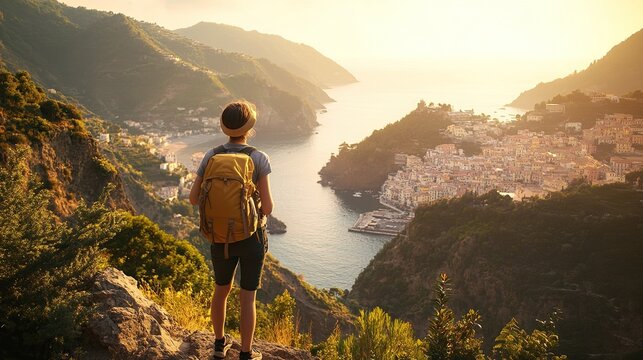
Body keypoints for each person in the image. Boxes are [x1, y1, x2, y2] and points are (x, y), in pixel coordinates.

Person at [190, 101, 273, 360]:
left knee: (221, 290)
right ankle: (246, 353)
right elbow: (268, 208)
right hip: (251, 237)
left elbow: (194, 198)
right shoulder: (258, 158)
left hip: (219, 236)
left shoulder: (211, 156)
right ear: (250, 127)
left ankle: (218, 345)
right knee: (248, 298)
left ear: (224, 127)